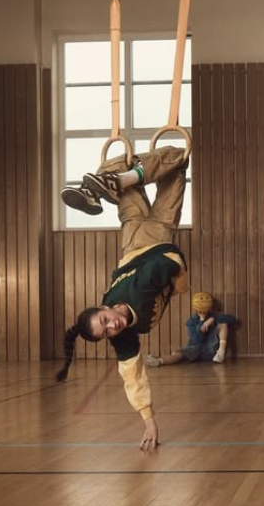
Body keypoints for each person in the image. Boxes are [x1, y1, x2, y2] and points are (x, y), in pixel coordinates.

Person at [55, 145, 189, 452]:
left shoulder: (141, 292)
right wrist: (149, 419)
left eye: (105, 320)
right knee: (153, 169)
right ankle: (106, 185)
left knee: (176, 157)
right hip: (147, 233)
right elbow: (133, 376)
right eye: (108, 332)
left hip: (144, 239)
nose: (113, 326)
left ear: (105, 308)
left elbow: (170, 259)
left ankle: (109, 183)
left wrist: (181, 283)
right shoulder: (126, 335)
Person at [144, 291, 234, 366]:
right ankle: (158, 361)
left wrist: (212, 319)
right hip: (194, 349)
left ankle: (221, 352)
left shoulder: (214, 315)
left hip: (211, 350)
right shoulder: (191, 322)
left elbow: (231, 319)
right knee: (177, 354)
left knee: (223, 324)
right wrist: (202, 321)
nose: (203, 310)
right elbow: (197, 340)